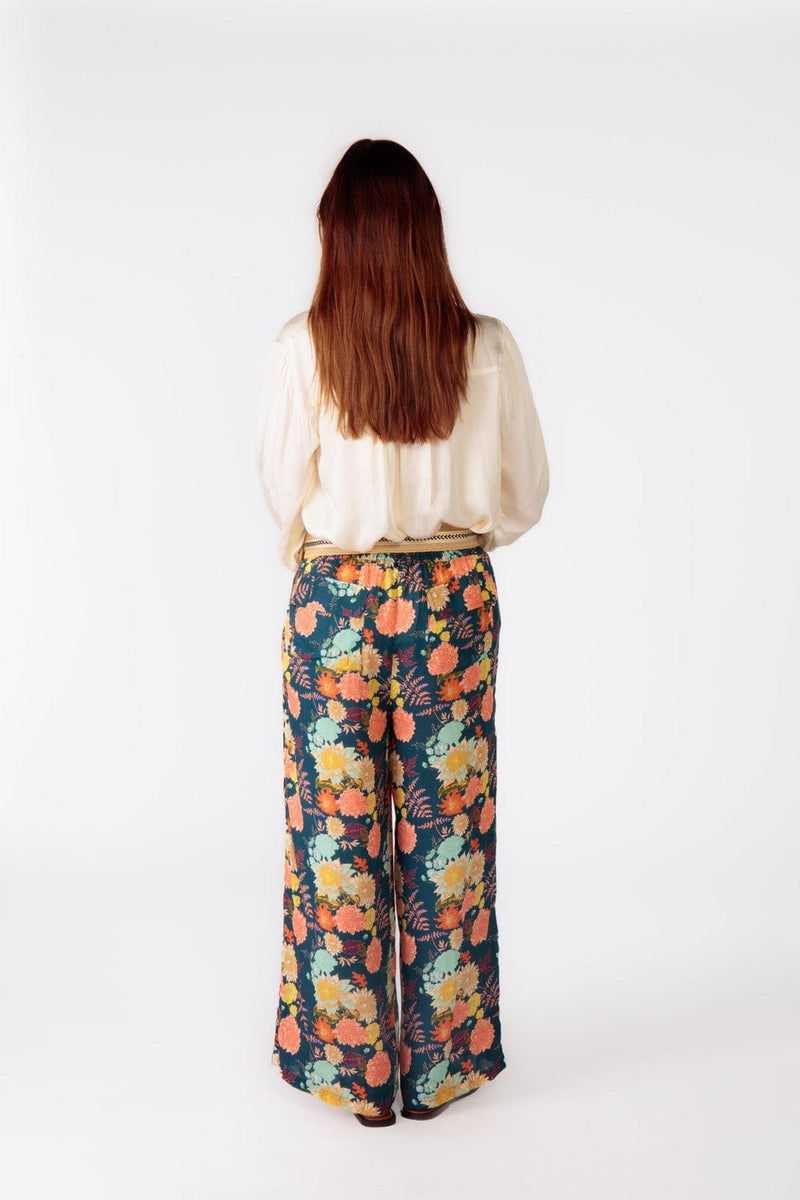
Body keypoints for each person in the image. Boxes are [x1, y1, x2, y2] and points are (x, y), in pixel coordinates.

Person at [256, 139, 549, 1128]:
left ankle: (353, 1075)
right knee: (447, 836)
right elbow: (524, 496)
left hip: (335, 604)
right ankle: (440, 1070)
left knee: (332, 841)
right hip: (450, 603)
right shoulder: (487, 348)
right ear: (427, 232)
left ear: (337, 237)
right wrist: (448, 543)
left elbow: (280, 495)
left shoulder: (303, 349)